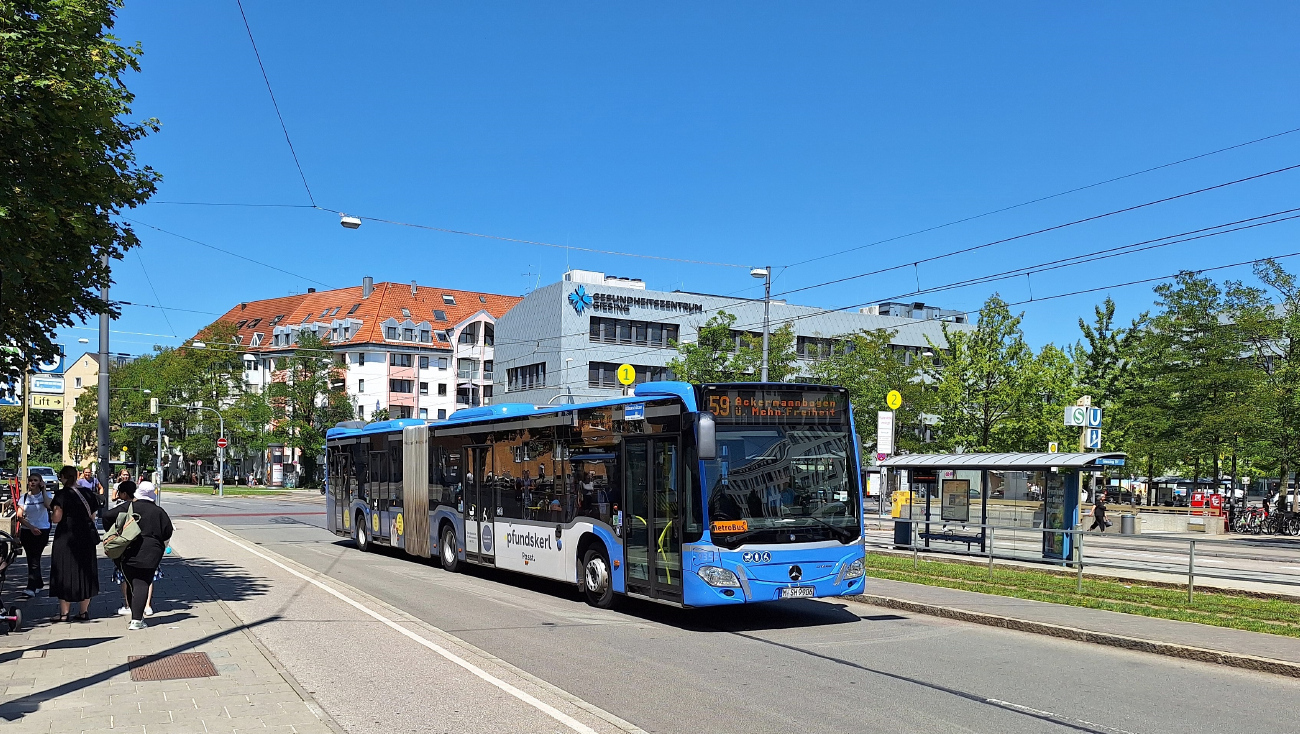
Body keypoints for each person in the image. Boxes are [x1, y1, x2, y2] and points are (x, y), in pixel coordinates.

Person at [102, 480, 172, 629]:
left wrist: (115, 531)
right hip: (151, 553)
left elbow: (107, 516)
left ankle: (135, 614)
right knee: (142, 583)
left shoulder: (128, 506)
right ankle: (137, 620)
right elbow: (167, 532)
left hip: (127, 550)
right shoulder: (158, 511)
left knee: (131, 582)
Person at [50, 466, 101, 622]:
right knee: (86, 571)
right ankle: (83, 612)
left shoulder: (62, 495)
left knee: (63, 571)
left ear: (64, 477)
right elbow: (93, 516)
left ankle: (64, 613)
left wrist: (51, 512)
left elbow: (56, 518)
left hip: (66, 537)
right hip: (85, 537)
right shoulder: (88, 494)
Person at [14, 472, 53, 597]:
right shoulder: (24, 497)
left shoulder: (46, 495)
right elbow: (20, 516)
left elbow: (48, 505)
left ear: (40, 482)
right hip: (28, 530)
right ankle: (38, 583)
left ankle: (31, 587)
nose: (32, 482)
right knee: (31, 558)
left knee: (35, 558)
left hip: (42, 530)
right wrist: (31, 527)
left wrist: (44, 489)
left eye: (35, 480)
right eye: (30, 480)